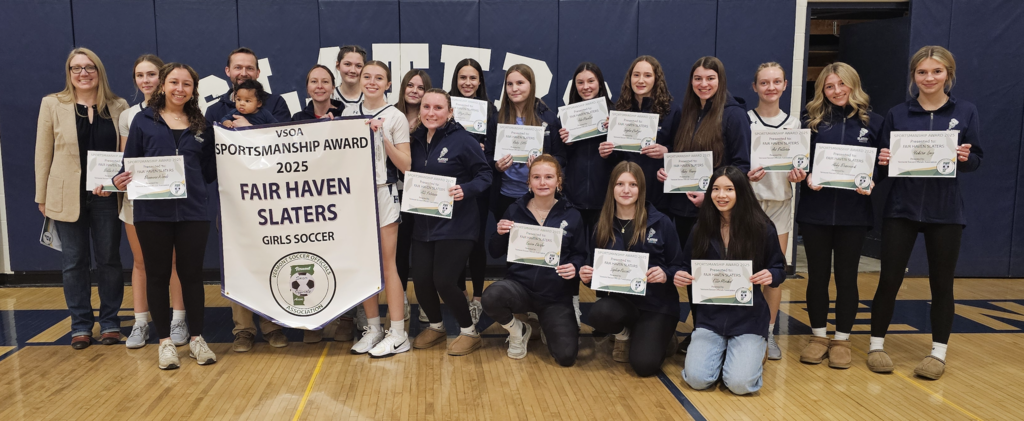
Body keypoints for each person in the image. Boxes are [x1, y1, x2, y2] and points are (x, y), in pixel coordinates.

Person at [870, 46, 982, 380]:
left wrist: (966, 158)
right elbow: (882, 163)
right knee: (889, 279)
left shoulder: (966, 111)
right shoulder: (897, 113)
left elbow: (976, 159)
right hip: (901, 209)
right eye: (922, 72)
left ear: (949, 74)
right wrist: (884, 162)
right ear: (913, 76)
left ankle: (938, 353)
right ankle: (876, 345)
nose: (929, 78)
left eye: (936, 71)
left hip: (945, 212)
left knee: (941, 284)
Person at [114, 63, 217, 370]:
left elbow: (210, 172)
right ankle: (165, 343)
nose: (179, 89)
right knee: (157, 276)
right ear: (163, 86)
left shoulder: (202, 126)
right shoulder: (143, 121)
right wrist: (121, 178)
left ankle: (197, 339)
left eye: (187, 84)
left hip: (193, 212)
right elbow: (129, 164)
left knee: (191, 275)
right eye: (174, 82)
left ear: (193, 90)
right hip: (152, 213)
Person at [35, 47, 128, 350]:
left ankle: (111, 323)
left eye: (89, 67)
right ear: (69, 73)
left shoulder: (118, 105)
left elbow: (123, 153)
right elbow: (43, 152)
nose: (83, 73)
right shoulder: (52, 104)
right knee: (73, 262)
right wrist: (42, 195)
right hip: (65, 195)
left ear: (99, 71)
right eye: (76, 68)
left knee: (109, 261)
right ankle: (81, 326)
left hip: (106, 196)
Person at [657, 56, 750, 353]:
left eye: (710, 78)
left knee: (711, 275)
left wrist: (712, 194)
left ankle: (712, 332)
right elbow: (682, 158)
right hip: (681, 211)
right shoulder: (687, 113)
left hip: (715, 212)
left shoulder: (734, 115)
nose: (703, 83)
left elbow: (742, 167)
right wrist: (666, 168)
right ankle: (700, 332)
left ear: (720, 81)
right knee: (690, 275)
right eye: (698, 78)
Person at [204, 47, 291, 352]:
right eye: (237, 67)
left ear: (257, 73)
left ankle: (273, 325)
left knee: (270, 259)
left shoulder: (276, 104)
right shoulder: (215, 111)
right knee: (238, 263)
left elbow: (285, 144)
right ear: (227, 72)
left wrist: (251, 129)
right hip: (233, 202)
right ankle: (243, 329)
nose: (243, 72)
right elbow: (208, 157)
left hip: (269, 198)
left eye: (249, 68)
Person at [797, 62, 882, 369]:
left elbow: (883, 164)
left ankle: (842, 339)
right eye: (829, 86)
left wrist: (873, 179)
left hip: (854, 213)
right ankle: (819, 337)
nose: (836, 91)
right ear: (822, 89)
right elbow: (800, 161)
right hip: (815, 211)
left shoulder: (874, 122)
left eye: (842, 85)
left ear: (853, 85)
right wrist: (803, 175)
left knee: (847, 278)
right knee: (817, 276)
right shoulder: (811, 122)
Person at [675, 166, 786, 395]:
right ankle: (727, 353)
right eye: (715, 189)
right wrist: (680, 275)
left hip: (748, 320)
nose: (721, 195)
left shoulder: (762, 228)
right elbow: (685, 266)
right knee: (698, 379)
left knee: (739, 384)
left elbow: (778, 267)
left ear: (741, 192)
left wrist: (771, 275)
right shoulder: (701, 228)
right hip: (710, 318)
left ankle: (753, 350)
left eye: (729, 189)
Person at [579, 161, 683, 377]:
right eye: (620, 184)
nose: (626, 190)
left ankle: (663, 335)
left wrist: (665, 274)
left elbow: (678, 266)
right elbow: (596, 273)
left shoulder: (661, 222)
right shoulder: (601, 224)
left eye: (633, 184)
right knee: (598, 314)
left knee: (644, 365)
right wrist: (587, 276)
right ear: (612, 188)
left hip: (657, 304)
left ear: (641, 189)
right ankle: (624, 334)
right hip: (622, 303)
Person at [409, 89, 492, 356]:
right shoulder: (415, 140)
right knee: (421, 280)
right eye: (426, 107)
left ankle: (470, 332)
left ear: (450, 112)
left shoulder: (462, 140)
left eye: (438, 108)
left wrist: (465, 189)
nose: (431, 113)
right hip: (424, 223)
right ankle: (436, 326)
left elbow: (485, 174)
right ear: (420, 110)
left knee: (444, 281)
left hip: (458, 225)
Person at [483, 155, 587, 365]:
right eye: (536, 177)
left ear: (558, 181)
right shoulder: (515, 210)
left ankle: (547, 324)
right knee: (491, 297)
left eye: (548, 177)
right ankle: (518, 329)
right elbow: (494, 252)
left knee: (566, 357)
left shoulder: (572, 215)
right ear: (528, 182)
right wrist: (500, 233)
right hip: (519, 288)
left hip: (555, 295)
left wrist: (574, 267)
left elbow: (580, 254)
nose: (542, 183)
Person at [341, 61, 413, 358]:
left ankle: (398, 332)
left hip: (384, 194)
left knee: (387, 265)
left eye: (378, 78)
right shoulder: (348, 113)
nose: (371, 81)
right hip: (354, 196)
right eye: (366, 76)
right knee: (364, 265)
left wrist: (382, 138)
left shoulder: (395, 117)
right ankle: (372, 328)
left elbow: (407, 165)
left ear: (388, 84)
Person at [117, 54, 188, 349]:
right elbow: (126, 161)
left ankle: (179, 319)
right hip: (140, 199)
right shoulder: (128, 115)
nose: (146, 80)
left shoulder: (183, 112)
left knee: (172, 262)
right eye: (140, 75)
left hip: (171, 198)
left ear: (164, 79)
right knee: (141, 261)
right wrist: (116, 180)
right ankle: (141, 322)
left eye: (152, 74)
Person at [745, 62, 803, 360]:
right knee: (742, 269)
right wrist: (744, 175)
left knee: (773, 272)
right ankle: (742, 329)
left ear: (785, 85)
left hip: (779, 204)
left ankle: (768, 334)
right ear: (755, 87)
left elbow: (801, 165)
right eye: (764, 82)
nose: (770, 87)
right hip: (748, 204)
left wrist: (799, 175)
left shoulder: (794, 126)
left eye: (776, 82)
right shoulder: (745, 120)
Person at [559, 62, 620, 323]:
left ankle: (604, 309)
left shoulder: (614, 115)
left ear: (601, 84)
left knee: (604, 252)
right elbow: (557, 159)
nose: (586, 87)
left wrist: (612, 148)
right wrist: (567, 145)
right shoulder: (565, 117)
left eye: (591, 81)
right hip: (572, 199)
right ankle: (572, 303)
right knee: (572, 253)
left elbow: (627, 160)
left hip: (604, 199)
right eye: (580, 82)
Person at [291, 64, 345, 344]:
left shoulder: (346, 116)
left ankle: (346, 318)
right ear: (308, 87)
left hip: (340, 197)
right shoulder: (297, 118)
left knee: (342, 257)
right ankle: (312, 322)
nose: (320, 86)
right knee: (309, 259)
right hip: (308, 200)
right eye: (314, 81)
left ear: (333, 87)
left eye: (325, 81)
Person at [448, 58, 493, 323]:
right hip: (451, 184)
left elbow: (498, 145)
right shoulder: (446, 108)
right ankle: (460, 293)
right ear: (456, 80)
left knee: (475, 241)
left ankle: (477, 297)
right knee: (452, 241)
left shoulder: (490, 109)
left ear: (480, 82)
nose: (467, 83)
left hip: (477, 184)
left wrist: (486, 148)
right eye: (463, 77)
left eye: (472, 78)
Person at [611, 56, 681, 216]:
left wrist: (667, 152)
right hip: (626, 195)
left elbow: (683, 152)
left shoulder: (672, 111)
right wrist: (607, 151)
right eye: (636, 75)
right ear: (629, 78)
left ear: (657, 79)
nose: (641, 80)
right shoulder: (620, 111)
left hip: (659, 196)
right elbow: (616, 158)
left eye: (647, 75)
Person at [395, 69, 432, 323]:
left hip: (423, 195)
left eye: (420, 87)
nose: (414, 91)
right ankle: (401, 300)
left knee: (422, 251)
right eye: (410, 85)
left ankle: (425, 301)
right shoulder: (391, 116)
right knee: (398, 250)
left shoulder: (431, 117)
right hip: (395, 192)